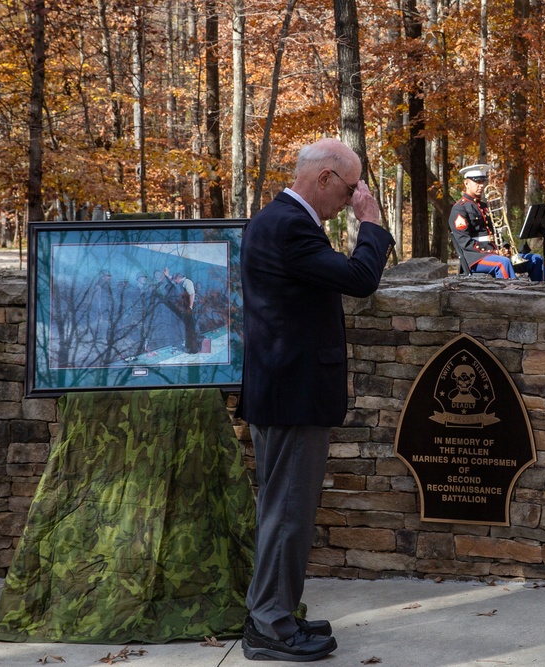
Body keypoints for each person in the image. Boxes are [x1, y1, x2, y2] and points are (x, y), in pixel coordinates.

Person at [237, 138, 394, 662]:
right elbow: (359, 279)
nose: (352, 199)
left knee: (283, 511)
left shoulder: (279, 221)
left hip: (285, 391)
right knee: (288, 513)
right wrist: (371, 223)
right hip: (292, 395)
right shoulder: (289, 227)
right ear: (324, 178)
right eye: (350, 190)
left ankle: (274, 609)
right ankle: (270, 626)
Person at [448, 164, 545, 281]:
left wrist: (506, 247)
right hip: (476, 257)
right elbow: (465, 243)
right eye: (477, 182)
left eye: (483, 182)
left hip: (495, 253)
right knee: (503, 263)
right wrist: (495, 252)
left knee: (536, 259)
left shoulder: (485, 206)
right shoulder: (460, 209)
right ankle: (511, 295)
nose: (481, 185)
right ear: (466, 183)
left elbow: (496, 232)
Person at [163, 268, 200, 353]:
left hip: (189, 308)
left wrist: (190, 306)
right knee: (187, 328)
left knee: (191, 328)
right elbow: (172, 278)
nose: (175, 282)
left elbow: (192, 294)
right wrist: (167, 275)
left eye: (176, 280)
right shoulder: (180, 281)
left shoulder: (187, 282)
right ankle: (190, 346)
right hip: (185, 308)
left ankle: (193, 348)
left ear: (178, 278)